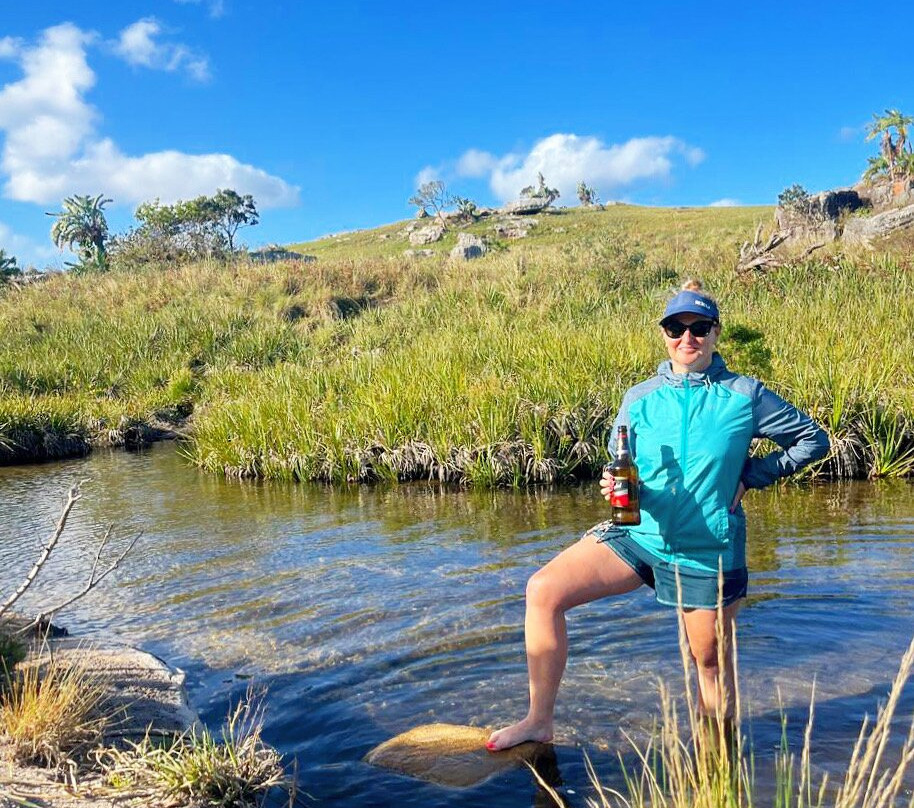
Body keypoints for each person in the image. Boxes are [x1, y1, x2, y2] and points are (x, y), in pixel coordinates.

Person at [486, 280, 830, 751]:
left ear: (715, 333)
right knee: (543, 591)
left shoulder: (744, 396)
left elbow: (812, 439)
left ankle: (717, 764)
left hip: (706, 546)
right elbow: (619, 458)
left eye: (699, 327)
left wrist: (752, 476)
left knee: (707, 662)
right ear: (663, 333)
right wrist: (616, 483)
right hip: (640, 533)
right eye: (676, 327)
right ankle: (538, 721)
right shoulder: (640, 397)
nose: (687, 338)